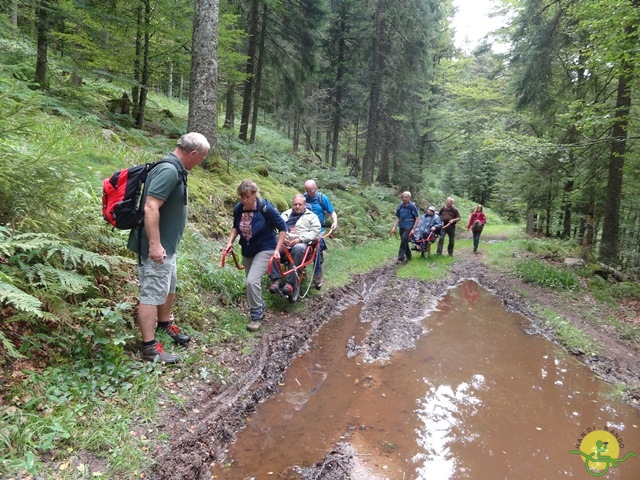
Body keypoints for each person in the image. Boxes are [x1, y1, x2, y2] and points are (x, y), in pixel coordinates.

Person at [128, 132, 210, 364]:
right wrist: (155, 245)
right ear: (193, 153)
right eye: (201, 158)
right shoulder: (168, 170)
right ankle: (150, 348)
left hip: (167, 246)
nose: (200, 162)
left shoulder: (177, 170)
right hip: (156, 248)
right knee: (151, 294)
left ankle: (164, 326)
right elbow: (151, 207)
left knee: (168, 287)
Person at [224, 180, 287, 332]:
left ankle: (256, 317)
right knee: (252, 282)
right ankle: (260, 306)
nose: (244, 200)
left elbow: (283, 228)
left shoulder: (266, 209)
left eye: (247, 197)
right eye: (241, 197)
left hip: (266, 247)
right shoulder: (239, 208)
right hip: (247, 248)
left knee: (251, 282)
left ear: (254, 194)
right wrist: (229, 242)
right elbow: (235, 227)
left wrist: (277, 250)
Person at [268, 194, 321, 295]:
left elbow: (315, 232)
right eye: (295, 204)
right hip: (285, 242)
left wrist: (299, 239)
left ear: (305, 205)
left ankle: (290, 283)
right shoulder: (285, 214)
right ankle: (276, 280)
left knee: (297, 248)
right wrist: (283, 237)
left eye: (300, 204)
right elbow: (278, 227)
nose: (297, 206)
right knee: (272, 249)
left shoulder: (312, 217)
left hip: (302, 244)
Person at [303, 179, 338, 288]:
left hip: (318, 230)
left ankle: (317, 279)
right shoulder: (303, 198)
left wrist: (335, 222)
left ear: (316, 188)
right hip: (304, 229)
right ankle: (300, 275)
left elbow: (332, 212)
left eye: (311, 191)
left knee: (317, 252)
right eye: (307, 191)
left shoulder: (322, 199)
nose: (309, 193)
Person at [390, 191, 419, 263]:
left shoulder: (412, 206)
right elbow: (398, 217)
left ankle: (400, 258)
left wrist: (413, 229)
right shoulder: (400, 206)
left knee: (403, 240)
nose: (404, 198)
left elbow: (417, 218)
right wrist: (394, 227)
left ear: (409, 198)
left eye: (406, 197)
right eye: (403, 197)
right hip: (401, 225)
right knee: (404, 241)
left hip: (409, 225)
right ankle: (409, 256)